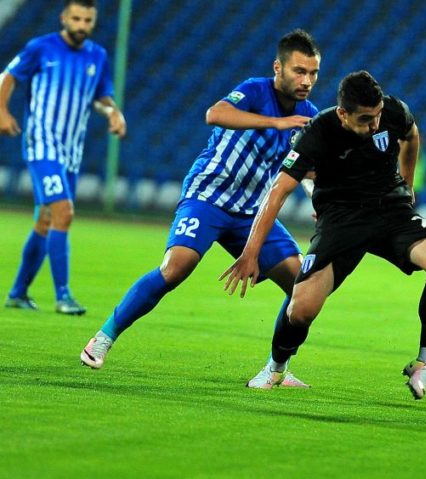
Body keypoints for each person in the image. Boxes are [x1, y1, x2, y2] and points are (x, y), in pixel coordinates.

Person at [79, 30, 321, 391]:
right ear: (278, 68)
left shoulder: (311, 117)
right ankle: (103, 338)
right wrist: (276, 123)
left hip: (252, 212)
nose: (307, 81)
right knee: (176, 267)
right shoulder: (256, 91)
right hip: (208, 196)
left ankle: (276, 368)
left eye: (313, 73)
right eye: (299, 71)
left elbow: (308, 170)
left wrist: (315, 194)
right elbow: (215, 113)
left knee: (303, 285)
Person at [221, 71, 426, 400]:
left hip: (390, 211)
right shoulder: (317, 132)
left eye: (377, 116)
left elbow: (411, 134)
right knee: (301, 309)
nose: (375, 125)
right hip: (341, 220)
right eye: (365, 119)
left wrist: (407, 182)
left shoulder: (392, 111)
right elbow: (277, 193)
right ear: (343, 113)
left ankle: (424, 363)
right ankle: (275, 369)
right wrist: (250, 253)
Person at [1, 0, 126, 315]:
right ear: (64, 18)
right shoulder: (41, 47)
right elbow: (9, 76)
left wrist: (113, 112)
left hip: (71, 151)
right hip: (42, 145)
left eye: (87, 19)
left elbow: (101, 97)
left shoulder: (97, 55)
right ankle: (63, 296)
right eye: (76, 18)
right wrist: (1, 110)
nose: (82, 25)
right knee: (64, 212)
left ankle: (18, 292)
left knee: (46, 220)